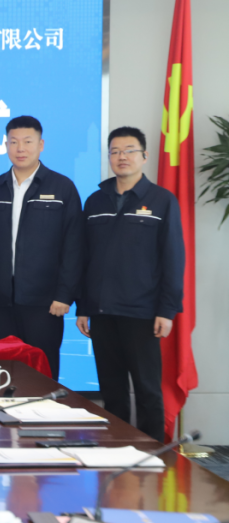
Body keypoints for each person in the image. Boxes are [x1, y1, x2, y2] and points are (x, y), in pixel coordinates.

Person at [77, 127, 184, 441]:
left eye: (129, 150)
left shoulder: (162, 200)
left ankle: (154, 454)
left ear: (144, 156)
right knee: (112, 390)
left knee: (147, 389)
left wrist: (166, 310)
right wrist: (83, 307)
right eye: (115, 151)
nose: (121, 157)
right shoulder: (95, 201)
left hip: (142, 313)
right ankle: (116, 450)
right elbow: (84, 257)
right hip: (102, 311)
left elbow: (173, 258)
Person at [0, 116, 83, 380]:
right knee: (3, 372)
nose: (20, 148)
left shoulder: (62, 188)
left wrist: (65, 295)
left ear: (41, 145)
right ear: (6, 145)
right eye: (14, 142)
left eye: (28, 142)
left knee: (42, 373)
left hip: (46, 303)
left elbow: (74, 246)